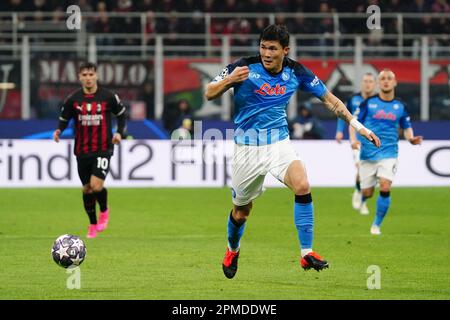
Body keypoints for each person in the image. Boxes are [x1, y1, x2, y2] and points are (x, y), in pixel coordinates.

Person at [205, 24, 380, 279]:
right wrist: (230, 80)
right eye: (263, 47)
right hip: (247, 149)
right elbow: (209, 92)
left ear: (285, 50)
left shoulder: (296, 71)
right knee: (241, 211)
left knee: (302, 184)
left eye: (272, 48)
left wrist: (357, 126)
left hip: (279, 143)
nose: (266, 53)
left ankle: (306, 252)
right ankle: (233, 249)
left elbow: (330, 100)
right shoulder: (243, 66)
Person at [53, 62, 127, 239]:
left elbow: (121, 115)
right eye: (84, 75)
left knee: (96, 185)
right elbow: (64, 118)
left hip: (103, 148)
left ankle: (104, 210)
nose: (88, 78)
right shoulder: (73, 99)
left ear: (96, 76)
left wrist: (118, 133)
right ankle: (92, 224)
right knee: (86, 189)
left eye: (91, 74)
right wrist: (59, 130)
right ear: (79, 77)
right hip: (82, 149)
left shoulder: (108, 96)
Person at [349, 69, 423, 235]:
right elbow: (353, 122)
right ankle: (361, 195)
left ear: (395, 82)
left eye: (390, 78)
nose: (386, 81)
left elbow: (406, 126)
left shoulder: (400, 106)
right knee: (368, 192)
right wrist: (353, 140)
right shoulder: (368, 103)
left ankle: (376, 225)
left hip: (389, 153)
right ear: (378, 83)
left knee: (385, 186)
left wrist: (410, 138)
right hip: (368, 154)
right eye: (383, 78)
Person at [335, 73, 377, 214]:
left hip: (373, 141)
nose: (368, 84)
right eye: (365, 81)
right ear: (362, 83)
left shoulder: (379, 101)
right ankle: (359, 193)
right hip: (357, 140)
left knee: (371, 174)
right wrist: (340, 132)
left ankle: (362, 198)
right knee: (361, 169)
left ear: (375, 84)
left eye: (370, 81)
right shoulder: (354, 99)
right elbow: (344, 115)